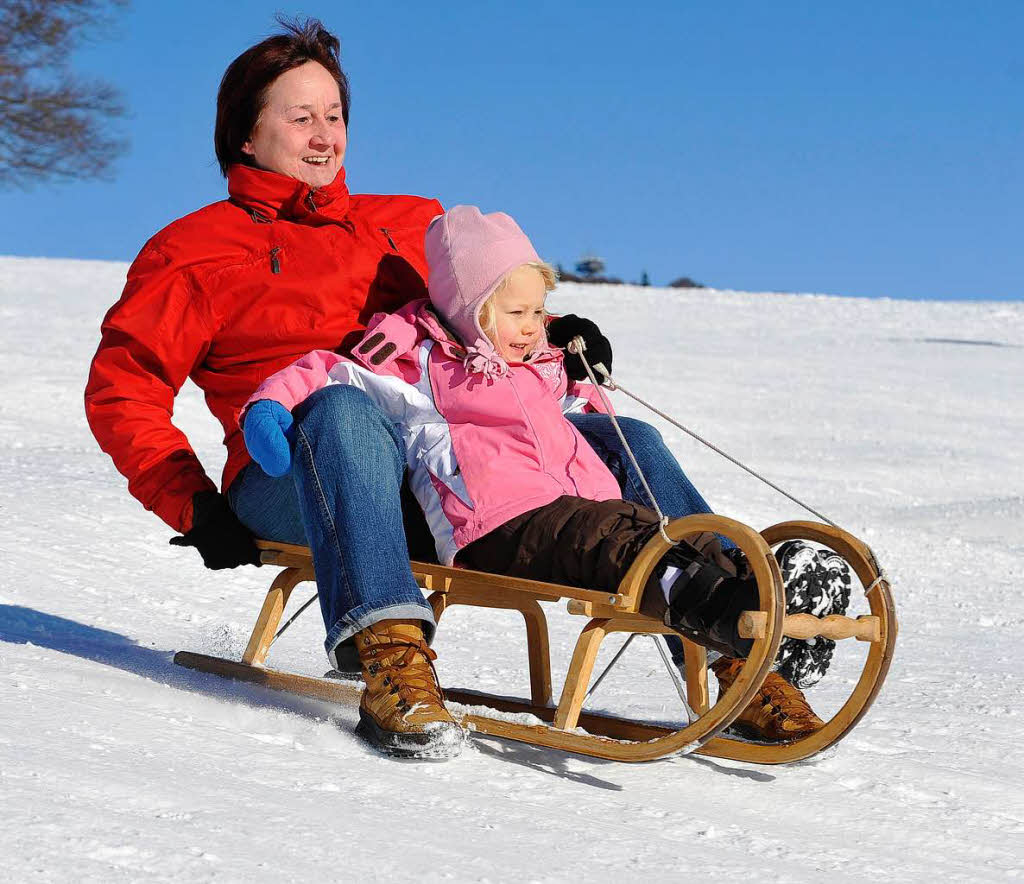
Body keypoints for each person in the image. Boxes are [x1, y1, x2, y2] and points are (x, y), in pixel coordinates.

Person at [83, 19, 733, 760]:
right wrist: (192, 503)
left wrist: (549, 334)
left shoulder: (404, 226)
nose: (325, 134)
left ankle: (736, 632)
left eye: (334, 115)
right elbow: (122, 389)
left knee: (626, 441)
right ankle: (389, 652)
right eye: (301, 117)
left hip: (444, 468)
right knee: (342, 406)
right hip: (291, 476)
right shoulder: (194, 250)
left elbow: (478, 317)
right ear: (244, 134)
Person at [242, 206, 847, 757]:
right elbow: (328, 370)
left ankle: (751, 627)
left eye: (539, 311)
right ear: (468, 306)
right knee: (617, 538)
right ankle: (728, 607)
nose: (534, 326)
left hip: (568, 511)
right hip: (497, 524)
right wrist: (269, 410)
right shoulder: (415, 359)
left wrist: (579, 358)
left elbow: (567, 385)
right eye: (518, 313)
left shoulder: (535, 361)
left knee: (642, 499)